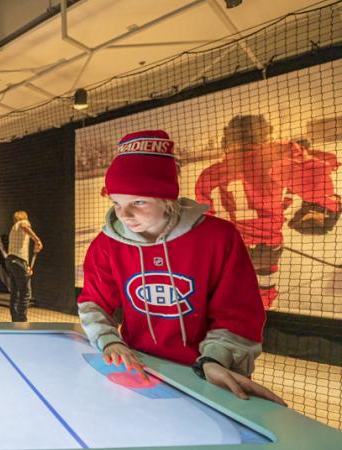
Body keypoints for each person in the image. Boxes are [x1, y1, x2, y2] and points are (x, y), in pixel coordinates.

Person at [78, 130, 285, 405]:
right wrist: (109, 341)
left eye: (138, 202)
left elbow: (238, 314)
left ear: (166, 198)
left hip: (204, 371)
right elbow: (94, 301)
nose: (125, 215)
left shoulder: (218, 237)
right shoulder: (106, 244)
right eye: (117, 203)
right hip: (139, 366)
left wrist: (215, 360)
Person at [195, 115, 340, 309]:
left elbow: (206, 221)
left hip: (230, 251)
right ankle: (264, 309)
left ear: (227, 140)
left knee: (230, 290)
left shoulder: (208, 175)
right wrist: (332, 204)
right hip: (266, 249)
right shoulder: (271, 160)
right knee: (264, 284)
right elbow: (319, 178)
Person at [5, 211, 42, 322]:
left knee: (15, 292)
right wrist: (37, 240)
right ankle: (22, 321)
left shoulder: (13, 228)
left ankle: (15, 320)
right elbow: (25, 226)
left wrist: (26, 267)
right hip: (18, 261)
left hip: (11, 260)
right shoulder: (22, 223)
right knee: (26, 293)